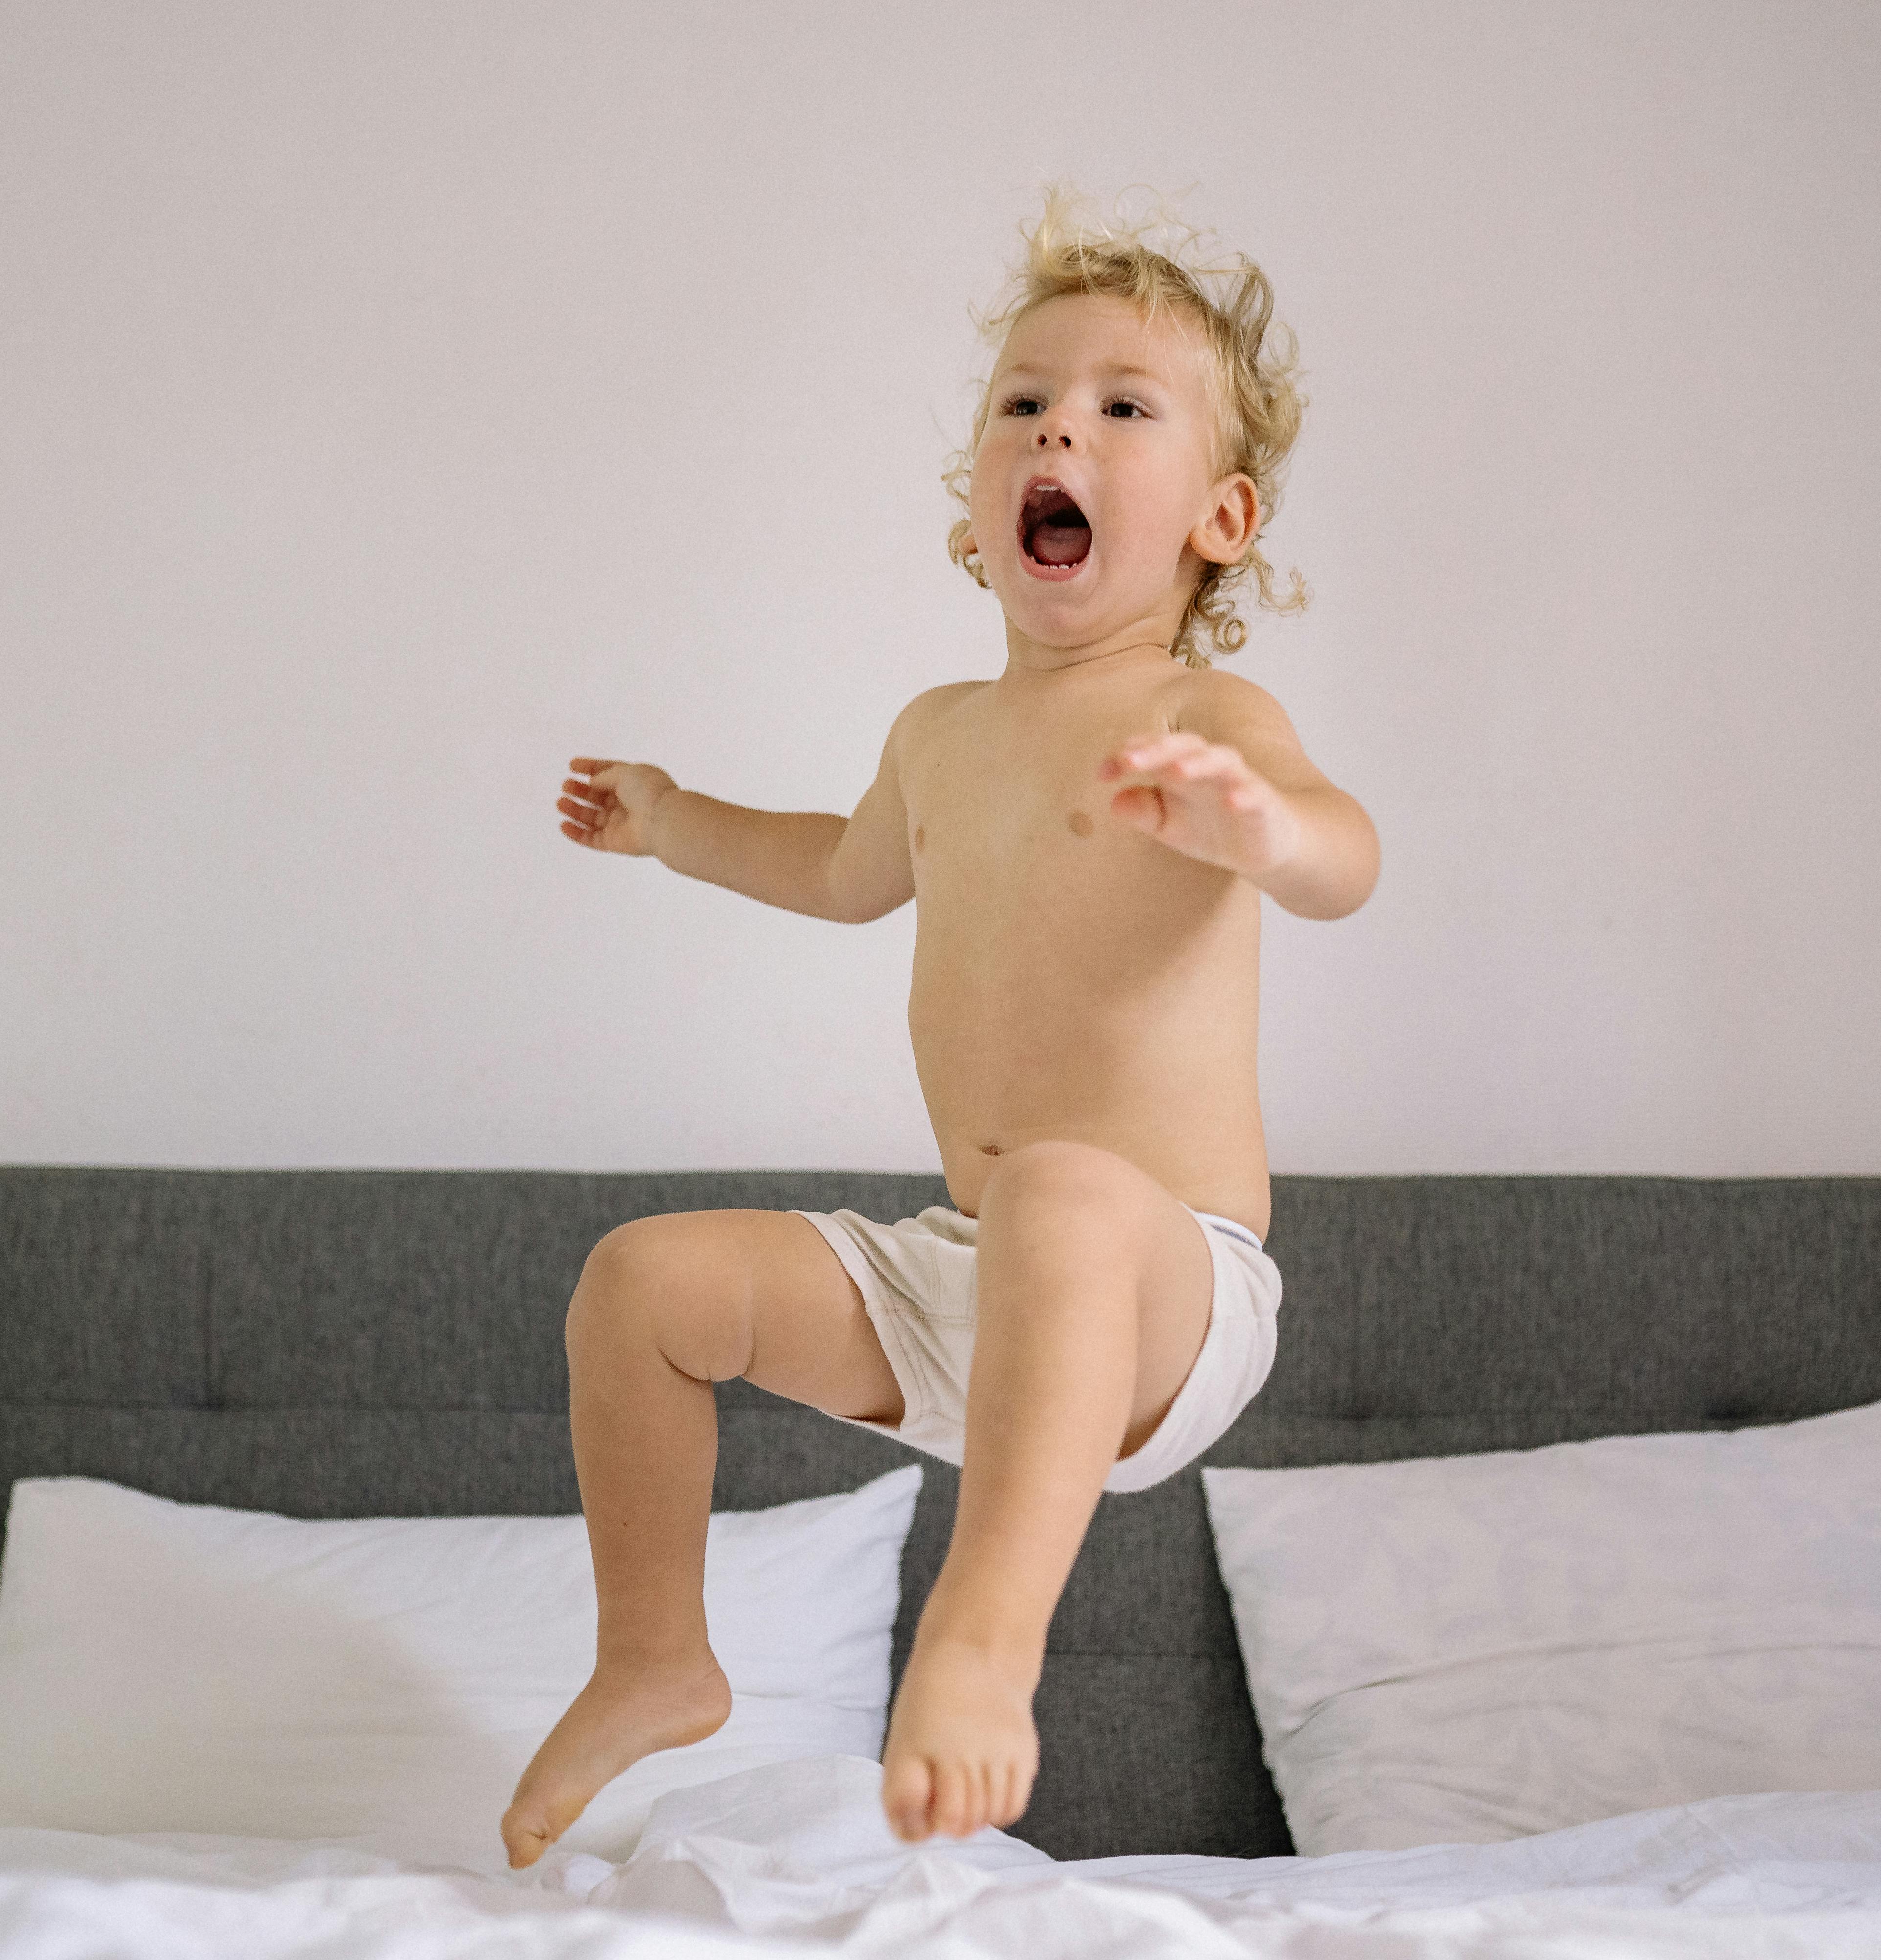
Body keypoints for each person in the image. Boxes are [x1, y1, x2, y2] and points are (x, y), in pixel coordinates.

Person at [502, 190, 1379, 1866]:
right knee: (644, 1285)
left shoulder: (1203, 717)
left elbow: (1347, 853)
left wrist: (1257, 831)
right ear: (983, 516)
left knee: (1059, 1184)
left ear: (1220, 514)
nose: (1063, 422)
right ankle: (654, 1657)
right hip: (979, 1285)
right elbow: (841, 874)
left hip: (1164, 1286)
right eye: (1027, 401)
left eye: (1126, 406)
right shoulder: (940, 735)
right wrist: (679, 821)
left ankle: (981, 1644)